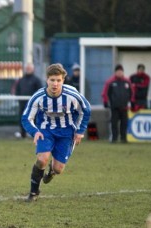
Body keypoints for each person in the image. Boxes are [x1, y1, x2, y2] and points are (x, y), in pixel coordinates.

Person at [21, 63, 91, 202]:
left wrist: (80, 131)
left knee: (58, 169)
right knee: (42, 159)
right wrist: (34, 131)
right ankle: (33, 192)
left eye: (58, 80)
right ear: (47, 80)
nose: (55, 84)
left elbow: (86, 110)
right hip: (46, 131)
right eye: (52, 80)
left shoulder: (71, 94)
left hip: (66, 134)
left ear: (63, 81)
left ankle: (52, 171)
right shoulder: (38, 97)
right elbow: (26, 118)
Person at [102, 64, 133, 143]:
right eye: (118, 71)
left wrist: (132, 102)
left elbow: (132, 93)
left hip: (124, 107)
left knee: (124, 123)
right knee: (114, 124)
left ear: (122, 72)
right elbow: (105, 93)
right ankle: (114, 138)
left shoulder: (127, 81)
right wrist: (105, 102)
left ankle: (123, 138)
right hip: (114, 107)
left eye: (121, 71)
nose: (119, 73)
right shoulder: (110, 82)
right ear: (115, 72)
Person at [15, 63, 42, 138]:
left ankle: (34, 134)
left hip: (33, 105)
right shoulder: (21, 80)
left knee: (34, 119)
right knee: (22, 119)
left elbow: (39, 92)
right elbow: (17, 90)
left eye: (29, 68)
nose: (28, 70)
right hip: (22, 104)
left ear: (33, 69)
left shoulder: (36, 80)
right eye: (27, 68)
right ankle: (23, 134)